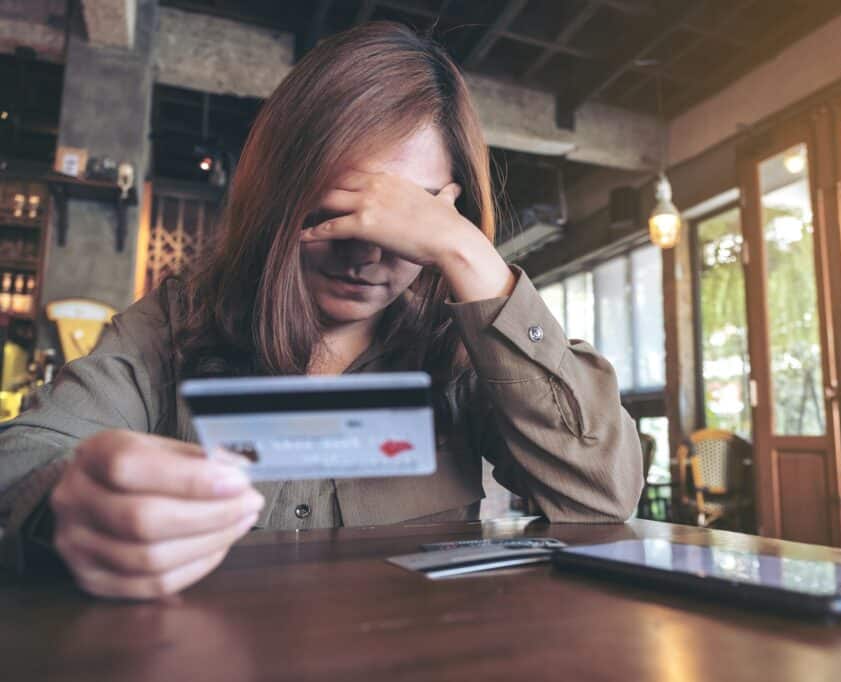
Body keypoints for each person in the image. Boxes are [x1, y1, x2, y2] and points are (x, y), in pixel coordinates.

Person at [0, 22, 643, 599]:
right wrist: (65, 503)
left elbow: (599, 501)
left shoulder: (461, 343)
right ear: (282, 194)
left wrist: (471, 258)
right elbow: (25, 456)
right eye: (341, 207)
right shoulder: (175, 323)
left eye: (406, 218)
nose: (368, 254)